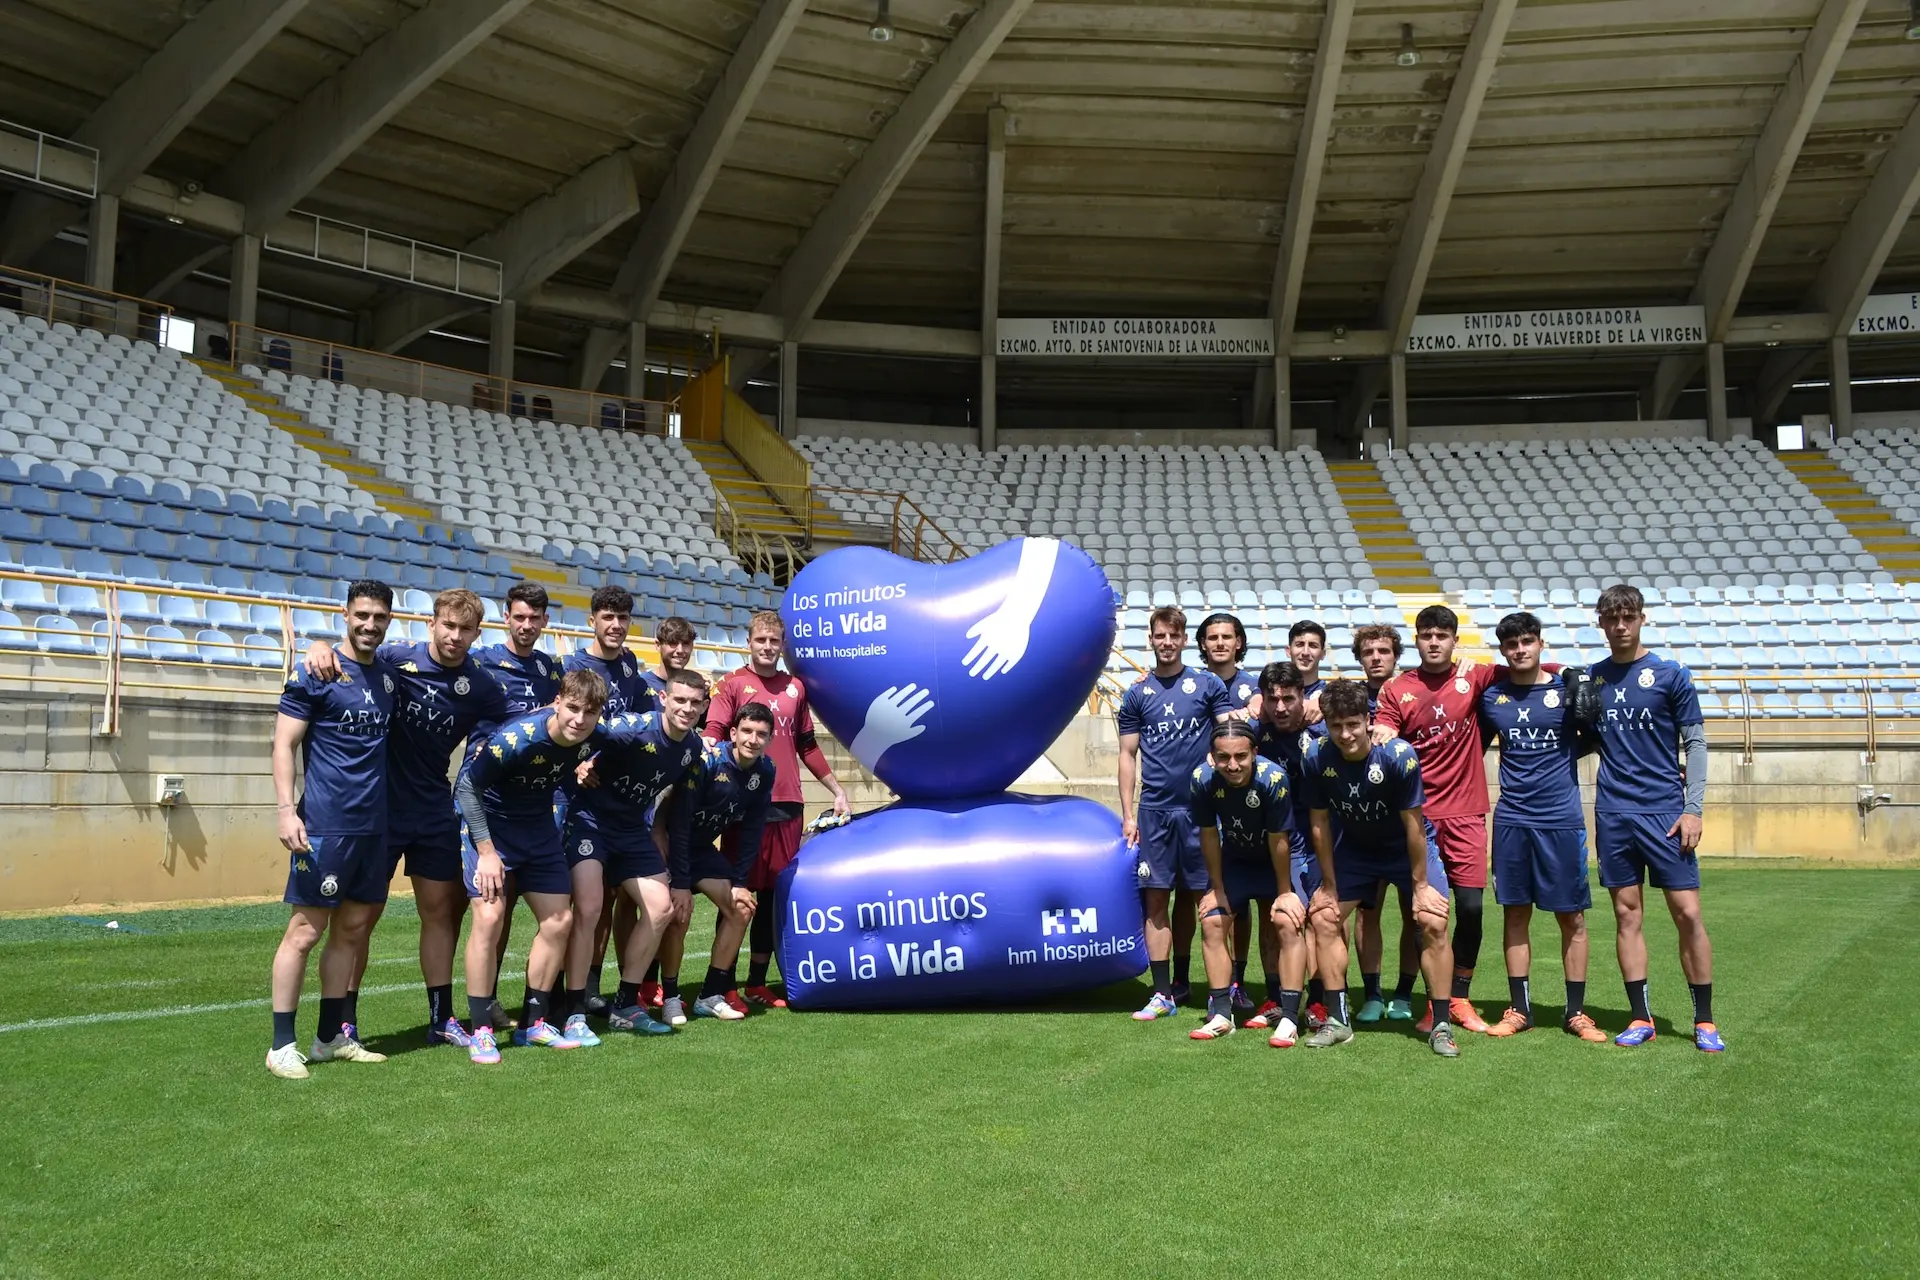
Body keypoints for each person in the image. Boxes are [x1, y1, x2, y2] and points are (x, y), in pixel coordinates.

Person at [302, 588, 509, 1051]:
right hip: (377, 810)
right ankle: (345, 1020)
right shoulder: (396, 658)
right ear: (432, 623)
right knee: (361, 918)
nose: (455, 636)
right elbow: (349, 655)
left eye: (465, 629)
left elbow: (508, 729)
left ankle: (441, 1019)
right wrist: (319, 647)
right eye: (448, 626)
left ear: (477, 634)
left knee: (440, 912)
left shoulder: (481, 686)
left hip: (434, 808)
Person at [1372, 604, 1551, 1034]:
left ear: (1455, 640)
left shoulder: (1476, 676)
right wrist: (1384, 732)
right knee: (1427, 914)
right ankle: (1435, 1004)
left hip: (1467, 814)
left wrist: (1576, 676)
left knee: (1471, 909)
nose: (1434, 642)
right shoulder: (1398, 688)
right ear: (1416, 640)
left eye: (1442, 635)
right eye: (1426, 635)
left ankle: (1459, 996)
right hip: (1419, 819)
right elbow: (1384, 727)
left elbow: (1529, 666)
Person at [265, 580, 396, 1079]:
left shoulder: (388, 677)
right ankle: (280, 1045)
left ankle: (329, 1038)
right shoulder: (315, 671)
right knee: (304, 932)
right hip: (324, 825)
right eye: (361, 614)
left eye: (378, 617)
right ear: (345, 614)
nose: (369, 624)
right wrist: (284, 809)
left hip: (374, 828)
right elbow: (283, 744)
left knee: (353, 931)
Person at [1297, 679, 1460, 1057]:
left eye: (1352, 724)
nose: (1345, 734)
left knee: (1433, 921)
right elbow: (1319, 824)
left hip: (1405, 849)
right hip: (1354, 849)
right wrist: (1328, 885)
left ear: (1368, 720)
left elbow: (1414, 825)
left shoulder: (1397, 755)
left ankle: (1440, 1024)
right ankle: (1338, 1022)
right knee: (1323, 917)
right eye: (1336, 725)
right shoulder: (1316, 757)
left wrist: (1420, 885)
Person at [1590, 584, 1721, 1052]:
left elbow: (1697, 744)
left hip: (1666, 812)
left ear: (1642, 619)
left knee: (1687, 914)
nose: (1620, 625)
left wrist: (1693, 808)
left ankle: (1704, 1020)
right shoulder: (1593, 680)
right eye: (1611, 618)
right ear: (1600, 623)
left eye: (1628, 617)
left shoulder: (1670, 674)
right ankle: (1640, 1016)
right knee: (1627, 915)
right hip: (1614, 815)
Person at [455, 670, 610, 1063]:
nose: (579, 719)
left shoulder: (594, 737)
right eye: (572, 708)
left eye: (589, 713)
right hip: (492, 829)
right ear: (557, 702)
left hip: (539, 832)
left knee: (559, 922)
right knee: (489, 918)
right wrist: (487, 852)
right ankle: (482, 1030)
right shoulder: (516, 738)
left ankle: (534, 1024)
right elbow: (467, 788)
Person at [703, 611, 849, 1010]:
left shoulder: (796, 688)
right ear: (748, 642)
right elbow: (712, 737)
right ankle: (723, 983)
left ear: (782, 645)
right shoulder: (731, 685)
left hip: (788, 802)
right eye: (760, 640)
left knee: (772, 897)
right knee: (737, 892)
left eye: (774, 641)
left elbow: (807, 744)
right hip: (743, 803)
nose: (767, 647)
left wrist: (836, 789)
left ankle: (756, 982)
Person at [560, 670, 710, 1043]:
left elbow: (679, 808)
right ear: (664, 698)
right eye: (680, 700)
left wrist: (664, 842)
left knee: (661, 909)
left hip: (631, 832)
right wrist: (580, 761)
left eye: (694, 703)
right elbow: (577, 730)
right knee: (591, 909)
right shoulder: (632, 728)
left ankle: (626, 1006)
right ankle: (573, 1011)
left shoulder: (693, 749)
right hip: (590, 823)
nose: (686, 709)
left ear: (704, 706)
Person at [1478, 612, 1608, 1043]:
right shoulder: (1492, 697)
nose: (1520, 650)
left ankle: (1576, 1012)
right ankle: (1521, 1010)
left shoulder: (1567, 693)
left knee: (1572, 917)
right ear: (1503, 650)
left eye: (1527, 642)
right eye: (1511, 644)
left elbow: (1597, 735)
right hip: (1513, 819)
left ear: (1539, 643)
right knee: (1516, 913)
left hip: (1561, 820)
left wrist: (1571, 674)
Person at [1117, 605, 1231, 1019]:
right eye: (1159, 636)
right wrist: (1128, 815)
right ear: (1151, 639)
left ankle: (1217, 987)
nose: (1166, 643)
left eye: (1174, 636)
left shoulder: (1207, 685)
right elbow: (1127, 755)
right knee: (1156, 900)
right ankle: (1162, 992)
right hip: (1155, 812)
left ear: (1185, 641)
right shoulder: (1136, 693)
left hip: (1201, 812)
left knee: (1206, 899)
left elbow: (1230, 736)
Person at [1187, 722, 1307, 1046]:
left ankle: (1289, 1017)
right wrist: (1217, 888)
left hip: (1275, 861)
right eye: (1223, 757)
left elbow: (1279, 840)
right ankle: (1222, 1016)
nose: (1233, 765)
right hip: (1236, 860)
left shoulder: (1273, 779)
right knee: (1213, 922)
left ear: (1254, 752)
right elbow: (1209, 835)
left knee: (1285, 921)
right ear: (1213, 757)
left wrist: (1284, 892)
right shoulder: (1202, 780)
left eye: (1241, 755)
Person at [663, 702, 778, 1024]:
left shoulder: (765, 770)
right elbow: (680, 824)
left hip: (702, 850)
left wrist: (740, 882)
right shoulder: (707, 762)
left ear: (769, 739)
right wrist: (681, 883)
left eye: (761, 734)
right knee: (678, 916)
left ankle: (710, 995)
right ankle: (670, 997)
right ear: (733, 733)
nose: (753, 740)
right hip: (672, 847)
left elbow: (753, 830)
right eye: (747, 732)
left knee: (742, 908)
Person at [1198, 611, 1273, 1015]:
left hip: (1254, 809)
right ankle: (1215, 986)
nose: (1221, 643)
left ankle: (1245, 980)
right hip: (1212, 805)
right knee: (1216, 902)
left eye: (1228, 636)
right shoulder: (1194, 683)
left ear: (1240, 642)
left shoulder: (1254, 687)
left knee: (1254, 906)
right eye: (1213, 637)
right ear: (1204, 643)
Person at [1251, 661, 1327, 1030]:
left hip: (1315, 844)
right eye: (1272, 698)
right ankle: (1273, 995)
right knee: (1273, 919)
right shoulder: (1253, 733)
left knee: (1316, 921)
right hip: (1269, 843)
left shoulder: (1324, 731)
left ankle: (1319, 1000)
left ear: (1303, 697)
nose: (1280, 707)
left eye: (1288, 698)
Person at [1350, 622, 1420, 1024]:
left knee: (1415, 912)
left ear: (1396, 655)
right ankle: (1373, 993)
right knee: (1367, 912)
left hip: (1406, 820)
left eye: (1384, 651)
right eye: (1369, 652)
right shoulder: (1347, 698)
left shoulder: (1414, 691)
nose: (1376, 658)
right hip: (1362, 825)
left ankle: (1405, 993)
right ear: (1359, 658)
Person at [565, 585, 654, 718]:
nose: (616, 625)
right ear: (592, 622)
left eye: (623, 618)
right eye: (608, 617)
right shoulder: (571, 665)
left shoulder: (629, 659)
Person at [475, 581, 561, 717]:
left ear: (545, 620)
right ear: (507, 618)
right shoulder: (482, 659)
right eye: (520, 617)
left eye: (534, 618)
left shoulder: (546, 664)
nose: (526, 626)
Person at [1287, 619, 1327, 700]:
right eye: (1299, 645)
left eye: (1313, 646)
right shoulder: (1274, 695)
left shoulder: (1330, 698)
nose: (1305, 652)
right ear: (1288, 651)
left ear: (1323, 654)